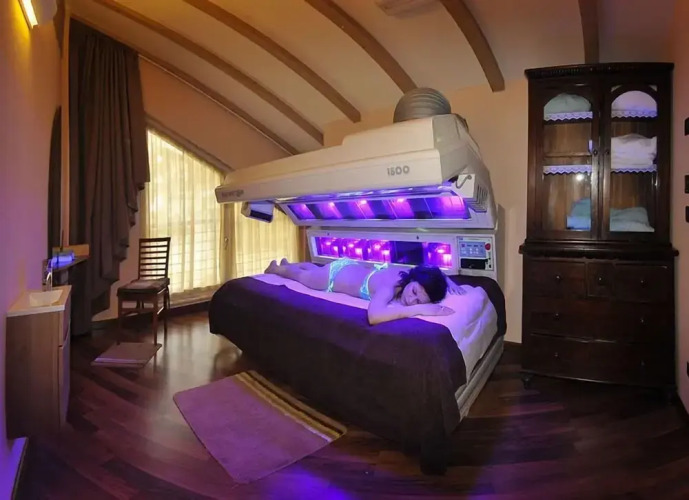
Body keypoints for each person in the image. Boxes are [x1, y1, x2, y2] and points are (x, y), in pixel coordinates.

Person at [264, 257, 463, 325]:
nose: (411, 300)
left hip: (347, 267)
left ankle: (290, 263)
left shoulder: (408, 276)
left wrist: (447, 280)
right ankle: (277, 269)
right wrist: (418, 309)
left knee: (313, 270)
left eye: (418, 301)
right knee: (301, 277)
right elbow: (374, 316)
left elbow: (426, 271)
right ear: (411, 281)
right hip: (332, 278)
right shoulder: (390, 286)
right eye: (413, 292)